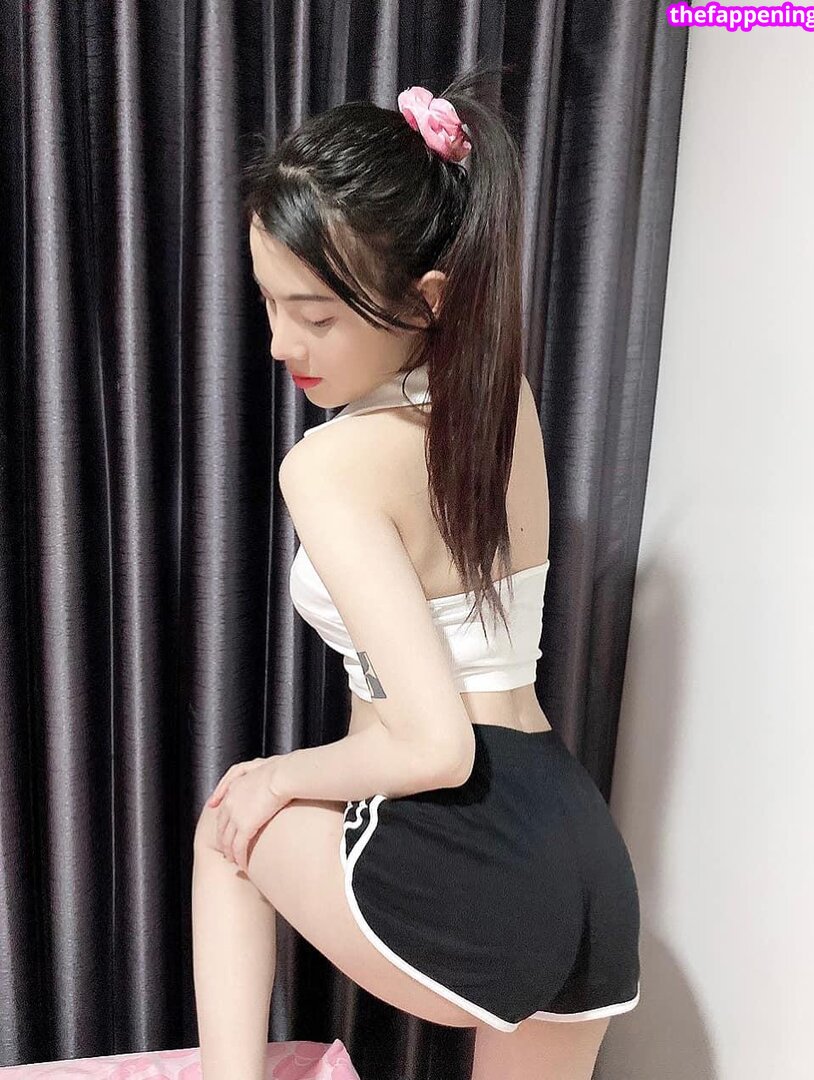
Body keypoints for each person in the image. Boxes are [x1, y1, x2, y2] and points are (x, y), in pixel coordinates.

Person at [191, 63, 640, 1080]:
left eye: (316, 316)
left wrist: (273, 777)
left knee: (228, 824)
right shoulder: (501, 399)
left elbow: (434, 744)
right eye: (269, 305)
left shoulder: (331, 464)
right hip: (583, 859)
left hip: (464, 829)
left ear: (427, 300)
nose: (281, 345)